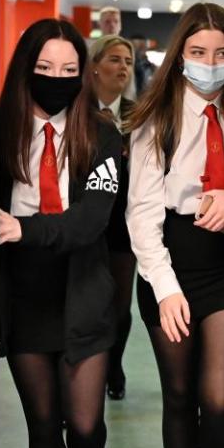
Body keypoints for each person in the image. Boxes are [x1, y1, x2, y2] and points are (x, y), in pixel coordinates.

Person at [125, 2, 224, 448]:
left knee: (221, 395)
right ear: (180, 56)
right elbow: (141, 216)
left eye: (222, 54)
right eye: (199, 53)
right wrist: (166, 290)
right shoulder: (154, 120)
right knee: (179, 394)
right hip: (168, 261)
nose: (210, 63)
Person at [0, 18, 123, 448]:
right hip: (23, 297)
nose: (56, 77)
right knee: (43, 423)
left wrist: (19, 229)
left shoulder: (104, 135)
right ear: (27, 68)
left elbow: (90, 221)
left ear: (83, 73)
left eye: (69, 69)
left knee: (85, 423)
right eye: (45, 67)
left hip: (83, 291)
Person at [88, 34, 136, 400]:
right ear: (95, 66)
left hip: (123, 225)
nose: (122, 67)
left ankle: (114, 365)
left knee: (120, 306)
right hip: (86, 223)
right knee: (90, 302)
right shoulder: (78, 113)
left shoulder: (138, 114)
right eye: (115, 59)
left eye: (128, 62)